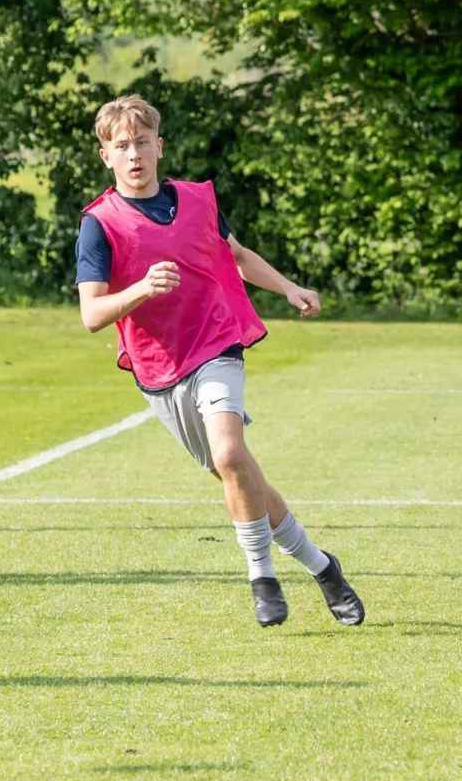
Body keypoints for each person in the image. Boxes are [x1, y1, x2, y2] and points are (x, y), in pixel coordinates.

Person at [75, 94, 364, 628]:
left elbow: (236, 254)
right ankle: (323, 568)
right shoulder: (99, 224)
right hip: (159, 367)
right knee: (238, 476)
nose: (134, 154)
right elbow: (92, 314)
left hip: (217, 341)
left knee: (231, 454)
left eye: (142, 142)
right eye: (121, 146)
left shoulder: (197, 200)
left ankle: (262, 577)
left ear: (159, 147)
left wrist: (288, 287)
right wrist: (140, 289)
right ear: (106, 157)